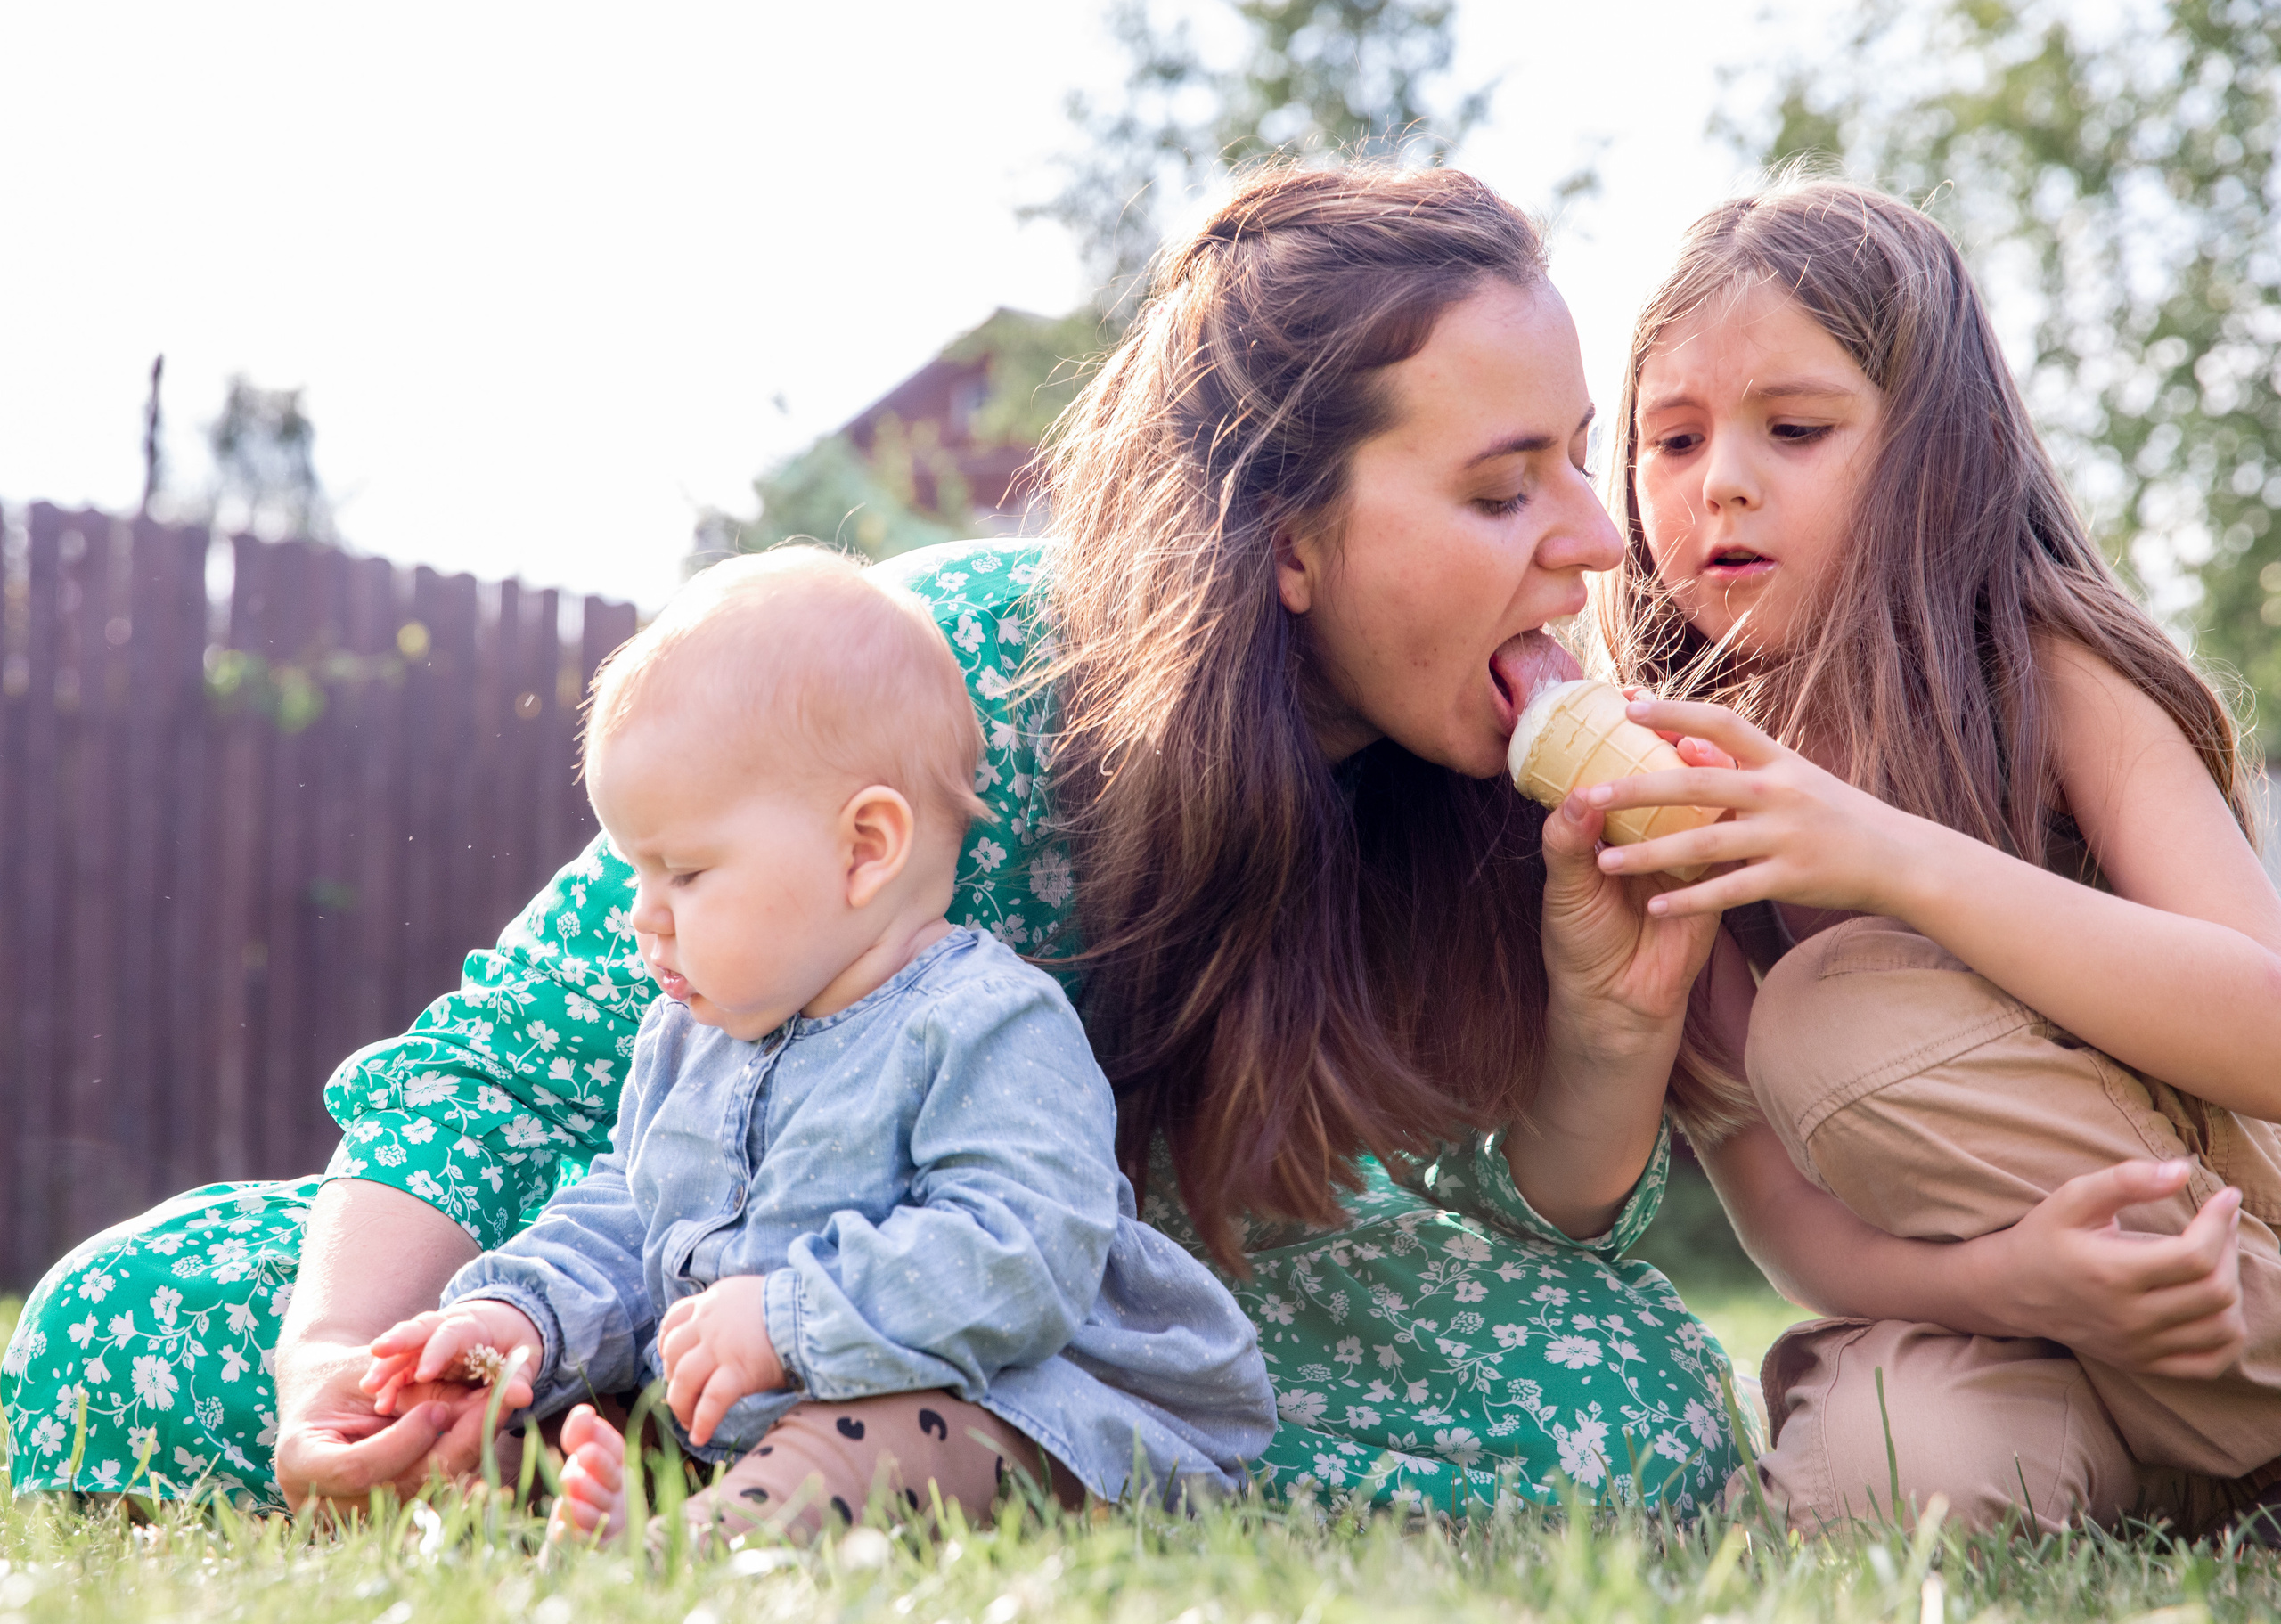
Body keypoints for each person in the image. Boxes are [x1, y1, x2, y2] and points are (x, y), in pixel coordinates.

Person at [3, 165, 2240, 1521]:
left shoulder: (1486, 773)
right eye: (1503, 484)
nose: (1593, 538)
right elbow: (503, 1066)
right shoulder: (948, 687)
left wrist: (1593, 1006)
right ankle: (704, 1432)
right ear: (1281, 540)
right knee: (121, 1329)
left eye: (1577, 460)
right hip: (687, 1247)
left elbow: (1543, 1205)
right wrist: (341, 1366)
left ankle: (849, 1451)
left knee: (1624, 1399)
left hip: (1132, 1301)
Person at [1583, 178, 2280, 1535]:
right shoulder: (1671, 804)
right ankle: (2218, 1471)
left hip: (2237, 1248)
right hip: (2030, 1330)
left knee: (1840, 1010)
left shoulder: (2046, 671)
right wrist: (2020, 1283)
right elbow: (1785, 1215)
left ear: (1935, 453)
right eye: (1670, 441)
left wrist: (1888, 857)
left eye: (1794, 428)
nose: (1722, 478)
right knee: (1887, 1475)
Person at [360, 548, 1273, 1542]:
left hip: (1016, 1418)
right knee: (574, 1413)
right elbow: (633, 1211)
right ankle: (596, 1502)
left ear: (863, 848)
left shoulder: (980, 1022)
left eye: (685, 871)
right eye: (638, 874)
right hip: (765, 1422)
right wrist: (521, 1315)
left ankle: (693, 1545)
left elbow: (1021, 1253)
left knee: (887, 1438)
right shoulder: (693, 1034)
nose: (642, 919)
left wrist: (787, 1318)